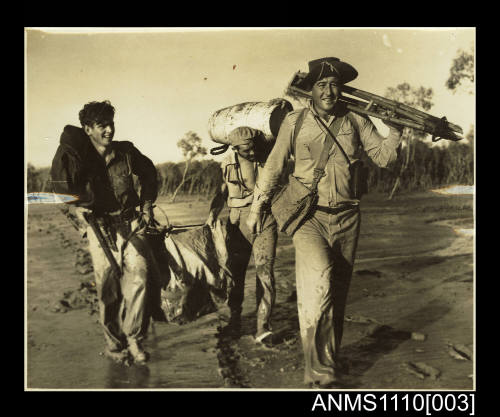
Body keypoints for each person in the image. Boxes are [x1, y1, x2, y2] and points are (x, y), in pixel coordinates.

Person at [246, 57, 404, 387]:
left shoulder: (356, 120)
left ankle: (329, 360)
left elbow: (385, 157)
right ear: (311, 90)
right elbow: (274, 166)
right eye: (321, 85)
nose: (329, 91)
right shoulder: (294, 121)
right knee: (318, 287)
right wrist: (257, 206)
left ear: (341, 88)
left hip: (348, 217)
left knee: (338, 292)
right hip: (309, 218)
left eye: (334, 84)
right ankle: (317, 372)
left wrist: (397, 129)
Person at [50, 100, 160, 365]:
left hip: (131, 223)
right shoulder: (76, 159)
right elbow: (61, 195)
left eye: (111, 123)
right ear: (88, 129)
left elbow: (149, 175)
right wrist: (76, 213)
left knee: (140, 278)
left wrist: (146, 206)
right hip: (99, 229)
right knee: (107, 288)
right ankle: (113, 343)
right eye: (102, 126)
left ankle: (134, 338)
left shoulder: (126, 152)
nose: (109, 130)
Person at [206, 125, 279, 344]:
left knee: (265, 274)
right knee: (235, 276)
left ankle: (263, 328)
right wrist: (213, 212)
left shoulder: (267, 159)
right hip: (236, 224)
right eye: (246, 150)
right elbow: (222, 191)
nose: (252, 152)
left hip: (264, 221)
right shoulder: (227, 162)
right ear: (236, 148)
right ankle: (234, 321)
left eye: (253, 147)